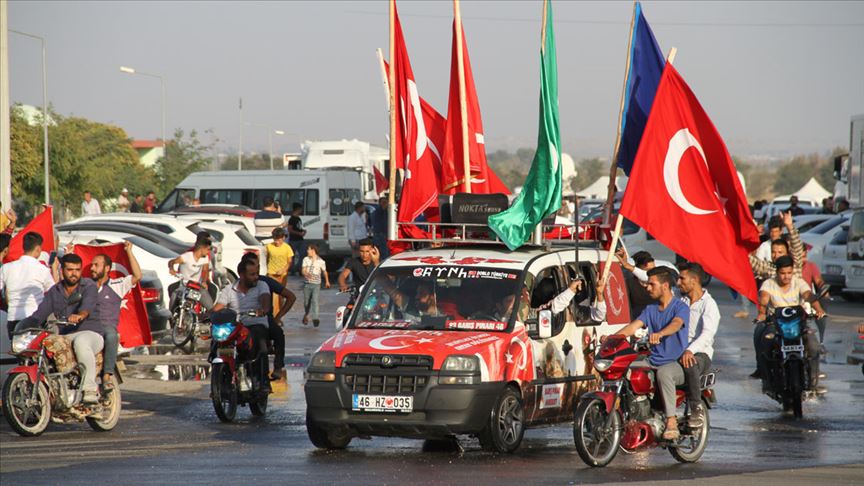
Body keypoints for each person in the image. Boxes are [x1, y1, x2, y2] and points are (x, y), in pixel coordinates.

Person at [612, 267, 689, 441]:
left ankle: (671, 421)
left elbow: (677, 324)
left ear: (665, 285)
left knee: (664, 373)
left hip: (675, 362)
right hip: (652, 360)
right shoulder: (650, 309)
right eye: (647, 284)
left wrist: (661, 334)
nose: (647, 288)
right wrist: (613, 338)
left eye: (651, 284)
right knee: (624, 368)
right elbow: (633, 327)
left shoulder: (680, 307)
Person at [18, 254, 102, 402]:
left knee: (81, 342)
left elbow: (87, 307)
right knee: (44, 345)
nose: (74, 273)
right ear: (62, 270)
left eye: (77, 270)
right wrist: (24, 324)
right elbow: (40, 314)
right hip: (66, 335)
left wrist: (79, 315)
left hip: (91, 333)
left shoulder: (89, 286)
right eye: (70, 269)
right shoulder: (55, 291)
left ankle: (89, 389)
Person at [754, 256, 825, 389]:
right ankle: (765, 375)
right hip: (775, 325)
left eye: (789, 273)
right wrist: (762, 312)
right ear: (777, 272)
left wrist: (819, 310)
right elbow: (764, 297)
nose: (786, 276)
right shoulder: (769, 283)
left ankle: (813, 377)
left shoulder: (799, 282)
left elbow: (808, 295)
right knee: (764, 341)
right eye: (782, 273)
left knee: (813, 344)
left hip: (798, 325)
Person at [89, 242, 142, 390]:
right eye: (91, 265)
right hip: (88, 327)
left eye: (96, 265)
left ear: (107, 269)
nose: (92, 268)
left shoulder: (117, 284)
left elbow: (137, 276)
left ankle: (107, 376)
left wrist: (128, 251)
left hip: (106, 327)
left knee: (112, 335)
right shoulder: (86, 285)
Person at [212, 259, 272, 386]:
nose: (256, 277)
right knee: (217, 339)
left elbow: (265, 300)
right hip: (236, 326)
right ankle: (220, 370)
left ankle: (262, 379)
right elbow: (218, 307)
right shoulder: (229, 289)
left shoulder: (262, 285)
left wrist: (263, 310)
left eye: (257, 273)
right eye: (252, 274)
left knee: (259, 341)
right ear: (242, 275)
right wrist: (207, 315)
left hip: (256, 323)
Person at [239, 252, 296, 380]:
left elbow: (291, 297)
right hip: (242, 320)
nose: (256, 273)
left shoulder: (265, 282)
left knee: (278, 334)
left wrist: (277, 317)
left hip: (263, 320)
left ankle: (277, 366)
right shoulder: (235, 285)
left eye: (257, 268)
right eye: (252, 270)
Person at [676, 262, 719, 428]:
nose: (679, 282)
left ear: (694, 280)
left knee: (690, 364)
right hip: (677, 350)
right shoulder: (680, 300)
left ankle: (696, 408)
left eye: (682, 278)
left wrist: (689, 350)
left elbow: (707, 334)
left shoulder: (709, 304)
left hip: (700, 353)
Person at [0, 232, 57, 340]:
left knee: (18, 354)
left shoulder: (6, 268)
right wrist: (54, 267)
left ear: (24, 247)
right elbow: (53, 292)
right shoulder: (42, 270)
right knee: (35, 354)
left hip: (13, 320)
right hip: (35, 320)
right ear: (38, 249)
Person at [167, 237, 213, 311]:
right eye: (208, 249)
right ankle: (172, 315)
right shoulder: (186, 256)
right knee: (174, 297)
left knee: (210, 306)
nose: (208, 252)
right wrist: (171, 269)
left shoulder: (205, 258)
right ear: (202, 248)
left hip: (197, 286)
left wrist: (204, 281)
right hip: (184, 285)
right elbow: (171, 262)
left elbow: (205, 270)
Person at [615, 248, 658, 318]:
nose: (652, 273)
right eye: (648, 271)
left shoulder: (660, 281)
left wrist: (628, 266)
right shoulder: (629, 283)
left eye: (654, 269)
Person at [801, 245, 828, 343]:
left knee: (821, 312)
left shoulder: (811, 266)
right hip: (793, 299)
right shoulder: (789, 268)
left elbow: (818, 281)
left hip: (808, 298)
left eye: (803, 255)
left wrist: (823, 289)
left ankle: (821, 340)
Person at [265, 227, 293, 316]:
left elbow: (289, 262)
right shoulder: (269, 247)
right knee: (273, 297)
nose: (277, 241)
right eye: (275, 239)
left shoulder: (287, 248)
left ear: (283, 238)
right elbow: (267, 259)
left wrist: (283, 270)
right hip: (271, 274)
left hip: (282, 276)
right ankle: (273, 315)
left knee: (280, 296)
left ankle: (279, 315)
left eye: (279, 239)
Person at [301, 243, 330, 327]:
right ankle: (306, 314)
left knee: (315, 300)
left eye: (308, 249)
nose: (307, 251)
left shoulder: (321, 261)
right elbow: (303, 269)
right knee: (307, 302)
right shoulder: (306, 259)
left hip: (316, 284)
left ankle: (315, 318)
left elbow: (324, 271)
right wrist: (306, 274)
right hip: (307, 284)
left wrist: (327, 281)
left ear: (313, 251)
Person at [287, 202, 306, 274]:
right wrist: (299, 233)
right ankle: (292, 269)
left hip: (300, 239)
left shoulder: (298, 218)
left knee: (303, 254)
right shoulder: (292, 219)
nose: (301, 210)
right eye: (301, 209)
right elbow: (290, 229)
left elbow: (299, 228)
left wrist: (303, 231)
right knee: (292, 255)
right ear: (298, 209)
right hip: (294, 240)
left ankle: (299, 268)